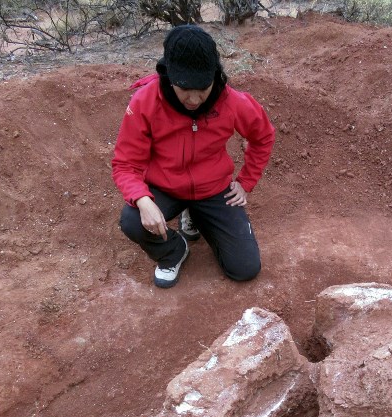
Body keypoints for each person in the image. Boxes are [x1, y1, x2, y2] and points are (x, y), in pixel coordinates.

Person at [112, 25, 275, 288]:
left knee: (245, 268)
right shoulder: (145, 101)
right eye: (185, 88)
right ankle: (174, 251)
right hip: (166, 187)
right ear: (169, 75)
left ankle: (196, 215)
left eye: (203, 88)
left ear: (215, 76)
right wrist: (142, 199)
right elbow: (125, 164)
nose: (194, 99)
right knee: (133, 220)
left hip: (213, 189)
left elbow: (263, 135)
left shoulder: (231, 101)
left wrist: (246, 181)